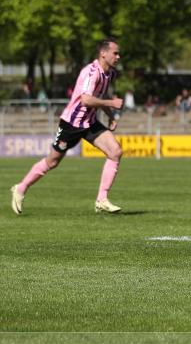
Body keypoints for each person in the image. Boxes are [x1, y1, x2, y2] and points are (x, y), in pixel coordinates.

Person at [10, 38, 125, 215]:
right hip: (72, 124)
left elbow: (98, 96)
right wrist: (112, 103)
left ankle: (102, 200)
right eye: (115, 53)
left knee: (115, 151)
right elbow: (86, 100)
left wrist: (110, 116)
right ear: (103, 53)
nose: (118, 57)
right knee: (52, 161)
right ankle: (21, 188)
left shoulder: (109, 73)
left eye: (118, 54)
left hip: (90, 122)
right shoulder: (91, 72)